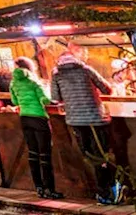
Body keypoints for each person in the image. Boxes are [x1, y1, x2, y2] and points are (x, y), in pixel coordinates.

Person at [50, 47, 117, 205]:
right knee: (102, 154)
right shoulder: (86, 70)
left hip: (76, 121)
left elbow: (54, 99)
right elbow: (107, 89)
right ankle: (108, 191)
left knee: (90, 156)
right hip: (96, 118)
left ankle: (102, 192)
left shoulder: (56, 74)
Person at [10, 57, 63, 199]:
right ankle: (50, 189)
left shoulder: (13, 83)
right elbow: (44, 99)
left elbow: (14, 101)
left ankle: (38, 188)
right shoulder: (34, 82)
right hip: (39, 118)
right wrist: (53, 100)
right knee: (45, 155)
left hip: (24, 118)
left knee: (33, 154)